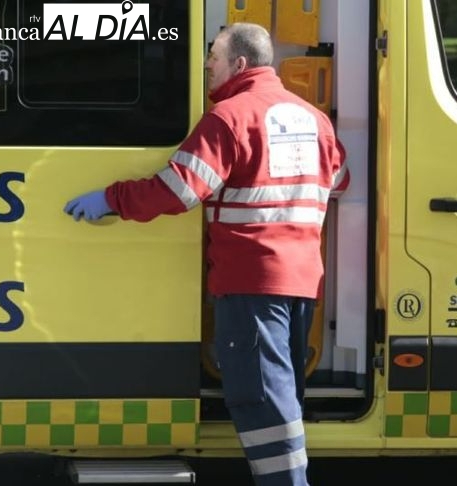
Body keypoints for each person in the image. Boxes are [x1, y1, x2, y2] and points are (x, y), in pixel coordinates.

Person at [63, 22, 349, 486]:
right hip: (301, 283)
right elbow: (340, 179)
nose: (206, 66)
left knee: (264, 401)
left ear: (239, 64)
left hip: (252, 283)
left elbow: (177, 191)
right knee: (283, 396)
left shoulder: (230, 118)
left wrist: (112, 198)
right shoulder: (312, 117)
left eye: (212, 58)